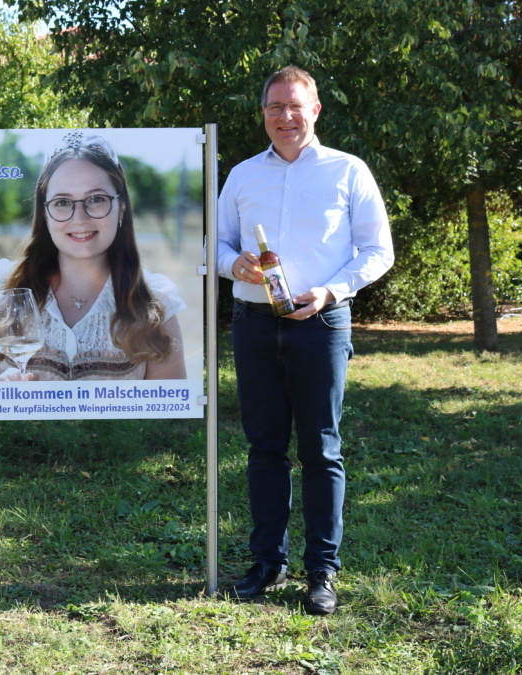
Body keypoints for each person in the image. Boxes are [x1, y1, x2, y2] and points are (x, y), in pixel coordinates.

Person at [217, 66, 393, 614]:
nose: (285, 116)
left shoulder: (349, 171)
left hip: (321, 323)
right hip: (253, 324)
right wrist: (234, 264)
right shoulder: (243, 175)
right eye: (274, 107)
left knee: (322, 449)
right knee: (265, 448)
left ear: (315, 110)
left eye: (295, 106)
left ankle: (322, 571)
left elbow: (377, 251)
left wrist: (331, 292)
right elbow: (216, 248)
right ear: (263, 114)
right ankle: (267, 562)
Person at [0, 131, 186, 382]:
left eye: (96, 199)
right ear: (45, 213)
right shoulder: (2, 287)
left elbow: (173, 410)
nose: (80, 218)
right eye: (62, 202)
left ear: (122, 208)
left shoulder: (156, 299)